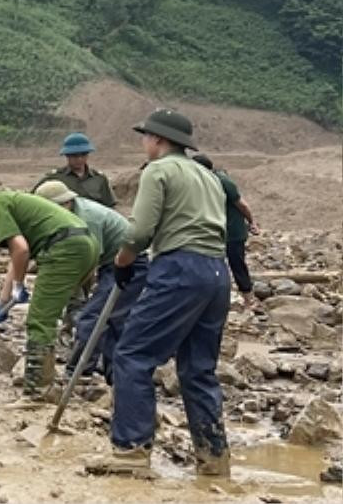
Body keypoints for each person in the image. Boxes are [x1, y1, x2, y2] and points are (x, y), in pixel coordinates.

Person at [89, 109, 231, 478]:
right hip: (216, 272)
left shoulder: (159, 170)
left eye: (146, 137)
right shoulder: (208, 175)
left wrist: (122, 262)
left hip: (179, 267)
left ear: (158, 140)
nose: (144, 142)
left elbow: (139, 233)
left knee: (133, 354)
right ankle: (214, 457)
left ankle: (131, 451)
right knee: (199, 369)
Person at [0, 179, 99, 405]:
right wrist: (2, 301)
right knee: (55, 313)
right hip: (85, 245)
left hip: (64, 248)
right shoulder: (9, 201)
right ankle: (53, 382)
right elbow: (16, 256)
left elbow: (21, 250)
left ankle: (37, 393)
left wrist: (20, 286)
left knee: (39, 320)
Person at [33, 181, 147, 382]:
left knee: (94, 317)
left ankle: (78, 372)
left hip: (129, 264)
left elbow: (88, 262)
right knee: (114, 319)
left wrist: (77, 295)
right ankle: (116, 375)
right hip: (114, 263)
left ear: (66, 203)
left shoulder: (87, 219)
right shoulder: (71, 215)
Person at [191, 154, 260, 310]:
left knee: (237, 263)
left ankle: (248, 298)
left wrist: (251, 222)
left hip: (233, 231)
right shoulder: (202, 182)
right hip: (215, 231)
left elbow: (242, 205)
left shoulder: (222, 181)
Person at [35, 132, 116, 208]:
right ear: (67, 155)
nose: (79, 159)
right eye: (74, 156)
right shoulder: (53, 178)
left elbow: (110, 207)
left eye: (83, 154)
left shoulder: (99, 179)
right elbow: (34, 200)